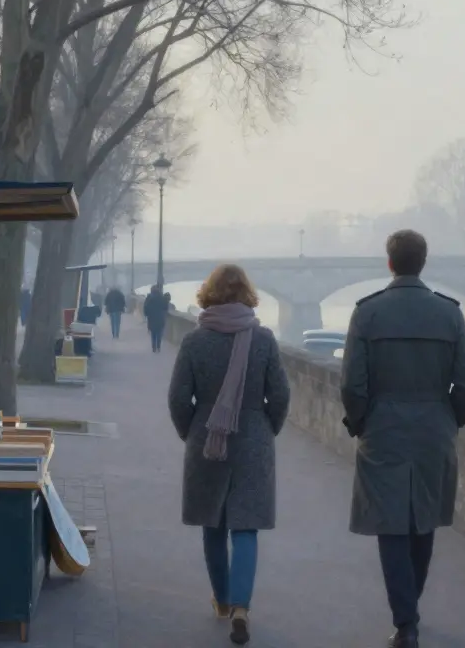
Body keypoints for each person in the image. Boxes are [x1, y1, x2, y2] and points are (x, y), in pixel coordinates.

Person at [339, 230, 465, 648]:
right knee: (424, 521)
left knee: (391, 525)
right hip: (434, 429)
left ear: (389, 263)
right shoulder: (449, 314)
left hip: (383, 429)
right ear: (423, 262)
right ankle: (410, 607)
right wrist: (449, 417)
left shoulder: (368, 314)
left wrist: (361, 421)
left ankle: (406, 622)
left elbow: (352, 384)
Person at [168, 265, 290, 645]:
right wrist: (266, 426)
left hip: (207, 437)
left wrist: (191, 430)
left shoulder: (195, 341)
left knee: (213, 524)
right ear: (247, 295)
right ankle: (241, 606)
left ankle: (221, 601)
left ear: (209, 295)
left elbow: (177, 397)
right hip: (253, 438)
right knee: (246, 526)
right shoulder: (264, 340)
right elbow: (281, 395)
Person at [142, 285, 167, 352]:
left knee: (153, 333)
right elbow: (165, 307)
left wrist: (146, 314)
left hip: (152, 318)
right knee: (159, 333)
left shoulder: (149, 298)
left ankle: (154, 347)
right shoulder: (161, 297)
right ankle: (158, 346)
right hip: (160, 318)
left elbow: (145, 307)